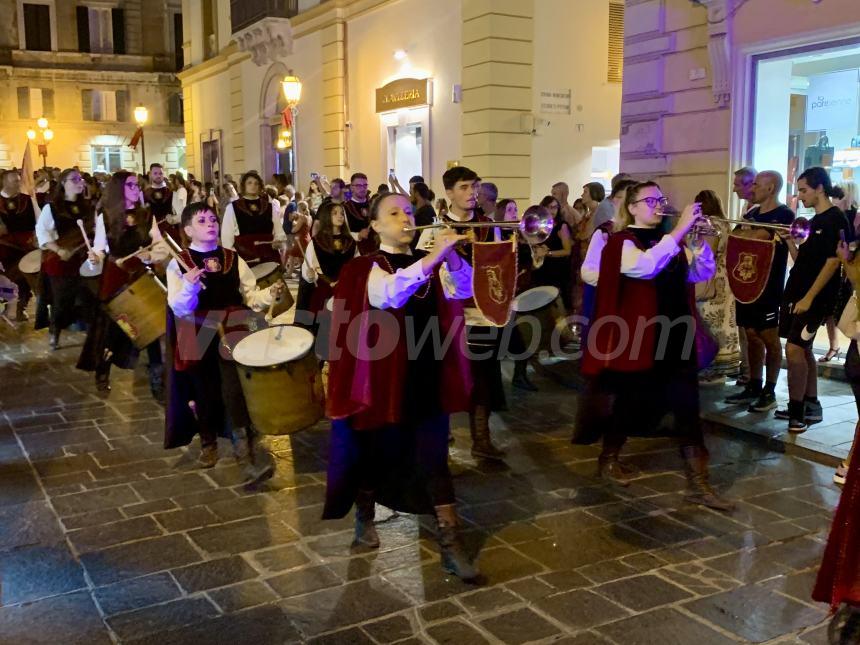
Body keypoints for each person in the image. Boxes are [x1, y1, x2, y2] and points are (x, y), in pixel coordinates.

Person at [322, 191, 479, 581]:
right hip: (380, 378)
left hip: (427, 371)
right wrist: (433, 259)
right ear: (374, 226)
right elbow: (389, 293)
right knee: (375, 455)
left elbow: (464, 289)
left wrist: (453, 256)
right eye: (393, 213)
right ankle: (364, 518)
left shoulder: (429, 263)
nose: (405, 218)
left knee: (435, 460)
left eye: (409, 211)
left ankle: (451, 543)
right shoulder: (363, 268)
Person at [579, 181, 732, 511]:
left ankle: (698, 485)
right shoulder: (620, 242)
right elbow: (645, 267)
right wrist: (679, 231)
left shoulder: (671, 241)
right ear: (631, 207)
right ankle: (608, 458)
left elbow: (700, 273)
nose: (657, 204)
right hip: (641, 339)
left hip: (676, 336)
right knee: (630, 404)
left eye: (660, 199)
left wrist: (700, 240)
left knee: (689, 410)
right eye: (649, 200)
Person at [165, 202, 283, 483]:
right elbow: (179, 307)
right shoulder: (179, 262)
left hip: (231, 329)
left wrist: (269, 294)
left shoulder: (232, 258)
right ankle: (208, 442)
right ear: (188, 229)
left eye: (213, 219)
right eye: (202, 220)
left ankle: (246, 457)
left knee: (234, 389)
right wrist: (191, 284)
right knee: (203, 390)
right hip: (196, 330)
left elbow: (250, 296)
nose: (211, 223)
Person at [418, 166, 506, 460]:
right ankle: (440, 442)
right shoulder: (433, 228)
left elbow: (496, 266)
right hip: (446, 311)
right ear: (450, 192)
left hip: (480, 311)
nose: (473, 193)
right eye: (465, 187)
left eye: (475, 186)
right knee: (443, 375)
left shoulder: (488, 224)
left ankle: (482, 439)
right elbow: (423, 270)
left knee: (483, 377)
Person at [77, 171, 168, 397]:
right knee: (111, 330)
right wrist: (94, 257)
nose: (136, 189)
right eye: (130, 186)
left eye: (137, 185)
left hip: (140, 275)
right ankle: (102, 371)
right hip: (115, 276)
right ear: (118, 190)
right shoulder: (105, 216)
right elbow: (99, 248)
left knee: (154, 326)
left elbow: (159, 245)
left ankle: (158, 380)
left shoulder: (146, 214)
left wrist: (151, 256)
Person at [776, 167, 851, 433]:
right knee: (801, 349)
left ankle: (797, 411)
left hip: (815, 298)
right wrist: (790, 244)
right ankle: (809, 403)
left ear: (820, 188)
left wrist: (809, 298)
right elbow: (804, 262)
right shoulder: (813, 221)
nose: (800, 196)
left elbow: (832, 263)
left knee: (794, 349)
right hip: (797, 292)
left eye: (804, 190)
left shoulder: (835, 219)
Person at [724, 172, 794, 410]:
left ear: (771, 188)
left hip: (769, 287)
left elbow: (757, 236)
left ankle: (770, 391)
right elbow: (735, 237)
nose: (751, 188)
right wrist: (745, 231)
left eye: (756, 184)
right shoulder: (752, 213)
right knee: (751, 334)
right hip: (747, 284)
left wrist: (747, 233)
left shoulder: (784, 214)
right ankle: (754, 384)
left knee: (770, 338)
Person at [35, 168, 96, 349]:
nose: (80, 182)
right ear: (63, 183)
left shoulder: (87, 206)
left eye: (81, 179)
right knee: (61, 300)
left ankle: (92, 334)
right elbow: (42, 232)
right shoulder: (52, 207)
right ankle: (55, 331)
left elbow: (93, 231)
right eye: (74, 179)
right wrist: (59, 250)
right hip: (60, 261)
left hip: (84, 259)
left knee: (89, 297)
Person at [296, 201, 358, 328]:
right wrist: (310, 275)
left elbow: (357, 263)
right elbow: (309, 268)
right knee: (324, 327)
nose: (340, 216)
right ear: (326, 217)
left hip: (346, 289)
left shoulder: (350, 241)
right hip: (324, 289)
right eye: (334, 213)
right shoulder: (318, 241)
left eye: (342, 213)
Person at [221, 171, 285, 264]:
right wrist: (234, 257)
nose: (253, 185)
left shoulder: (270, 207)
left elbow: (279, 231)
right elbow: (227, 237)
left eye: (256, 183)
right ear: (244, 185)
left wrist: (278, 242)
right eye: (249, 183)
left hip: (269, 257)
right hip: (244, 257)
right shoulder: (233, 207)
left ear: (260, 186)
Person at [0, 169, 38, 321]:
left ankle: (20, 308)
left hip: (25, 246)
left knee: (24, 278)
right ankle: (8, 305)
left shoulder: (28, 200)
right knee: (6, 278)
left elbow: (39, 221)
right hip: (4, 248)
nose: (18, 183)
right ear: (4, 182)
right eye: (14, 181)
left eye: (18, 180)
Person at [732, 166, 758, 386]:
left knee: (753, 332)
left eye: (738, 184)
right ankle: (747, 369)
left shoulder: (760, 210)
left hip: (754, 277)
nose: (733, 189)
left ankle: (752, 374)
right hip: (743, 276)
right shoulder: (748, 207)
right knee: (744, 328)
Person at [343, 173, 376, 254]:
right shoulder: (345, 208)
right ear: (351, 187)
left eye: (365, 185)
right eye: (358, 185)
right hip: (356, 251)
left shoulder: (373, 205)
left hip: (375, 249)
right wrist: (358, 235)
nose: (362, 188)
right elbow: (342, 233)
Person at [144, 163, 176, 232]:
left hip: (168, 230)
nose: (158, 176)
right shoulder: (145, 193)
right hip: (150, 230)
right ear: (150, 174)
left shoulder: (170, 192)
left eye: (160, 173)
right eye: (155, 173)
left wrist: (172, 219)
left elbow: (178, 212)